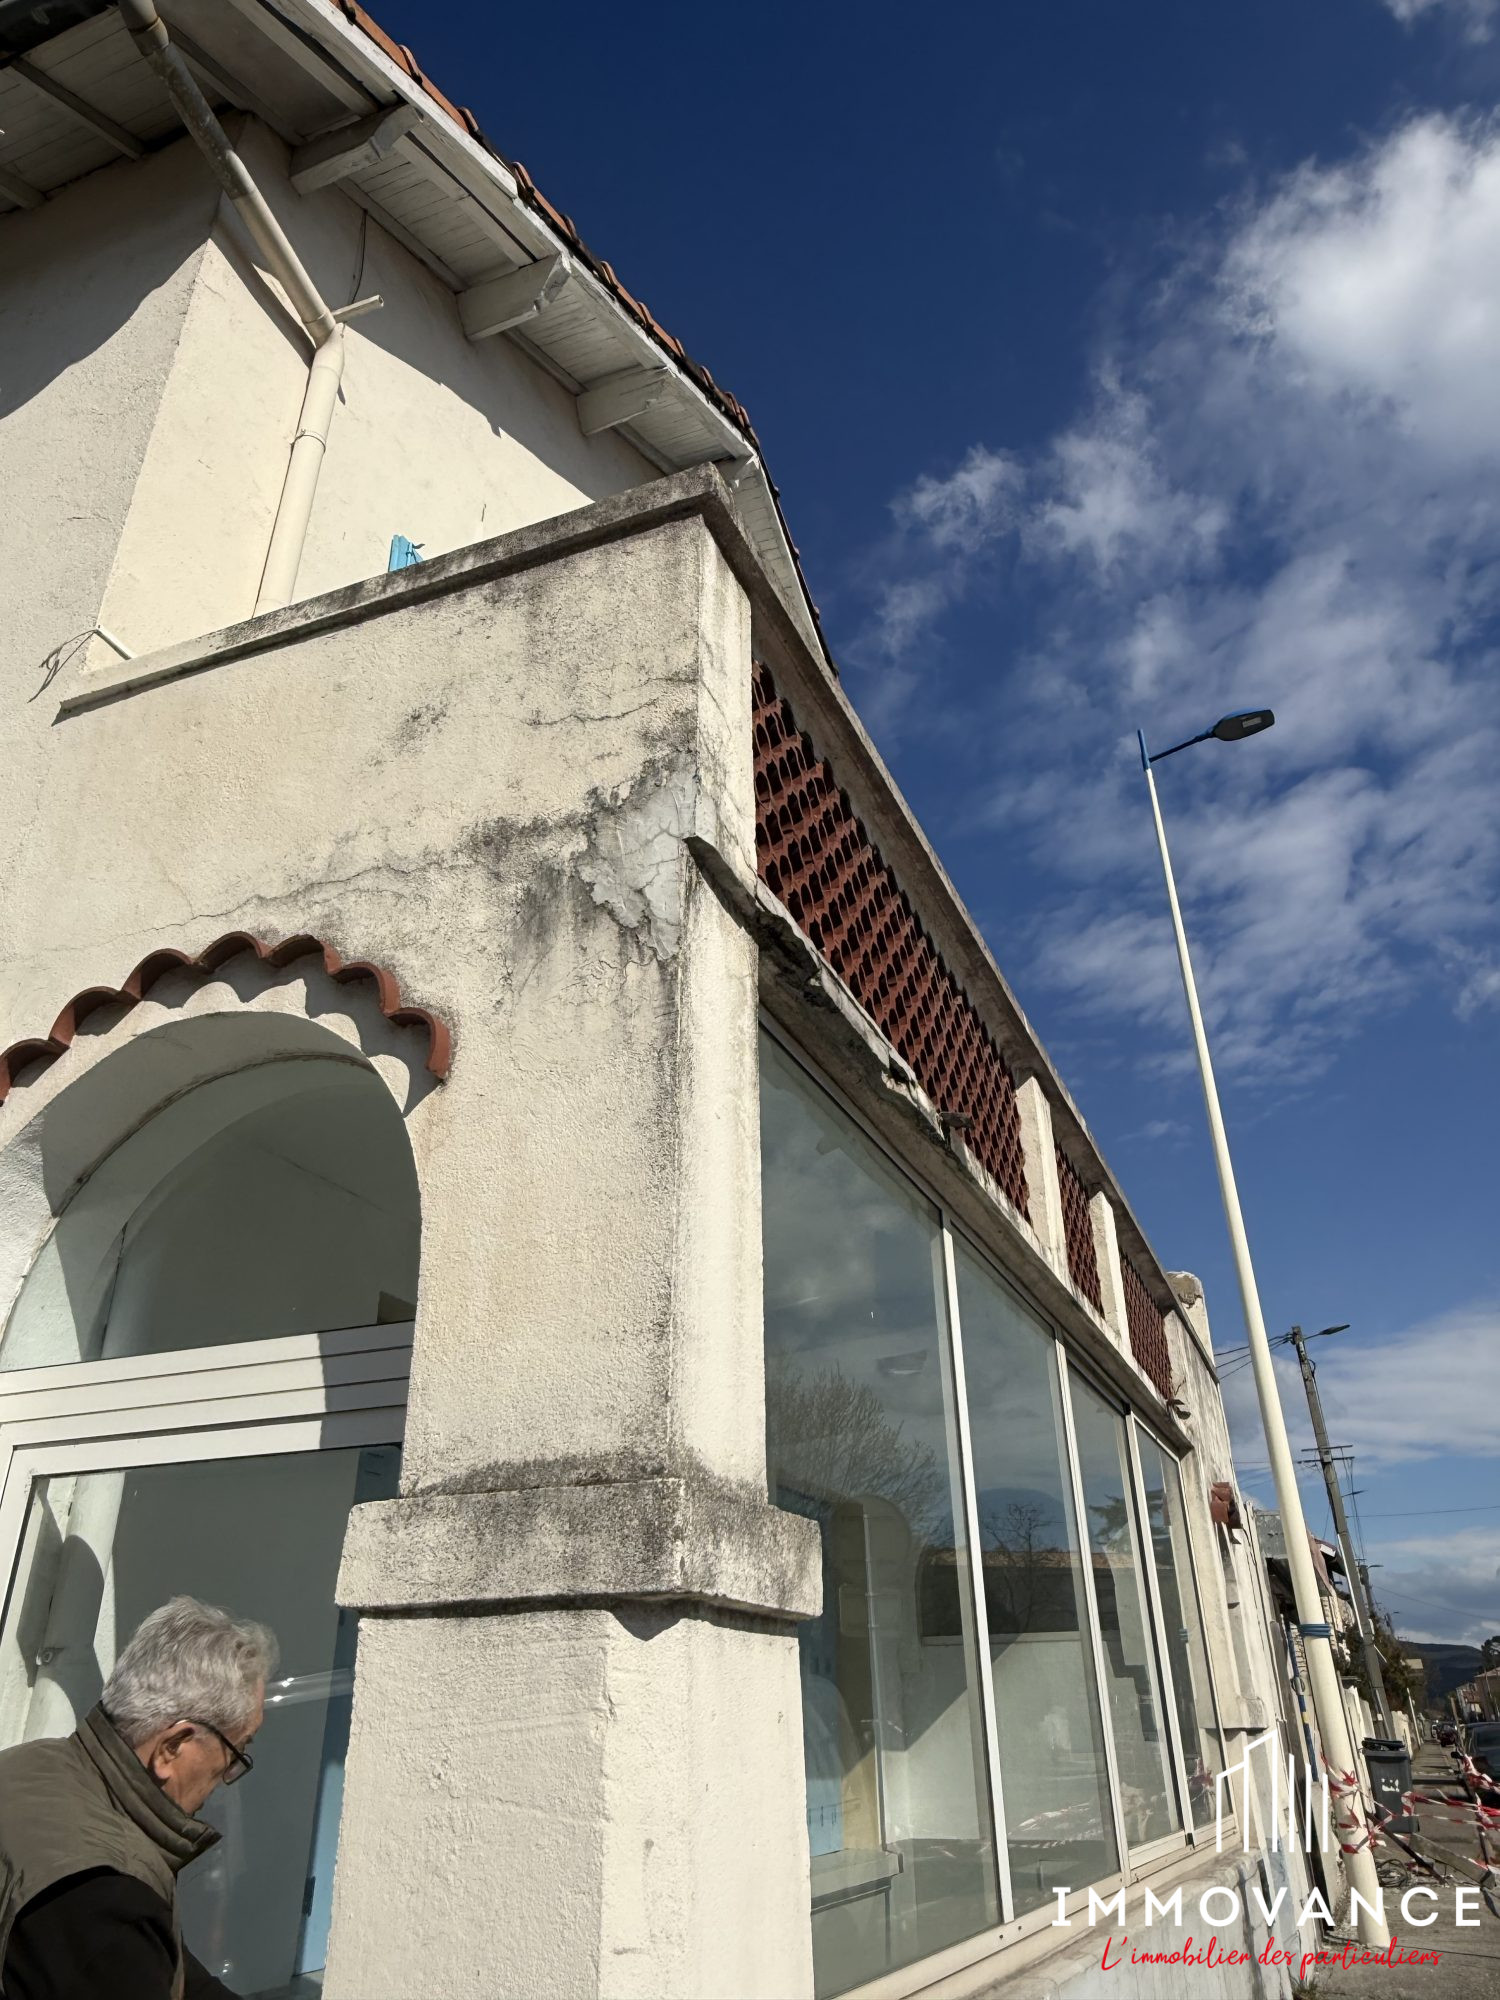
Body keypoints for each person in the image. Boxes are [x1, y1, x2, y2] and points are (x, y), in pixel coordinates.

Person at [0, 1595, 276, 2000]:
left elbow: (175, 1971)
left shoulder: (29, 1763)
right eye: (236, 1751)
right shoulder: (109, 1905)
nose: (228, 1775)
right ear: (172, 1747)